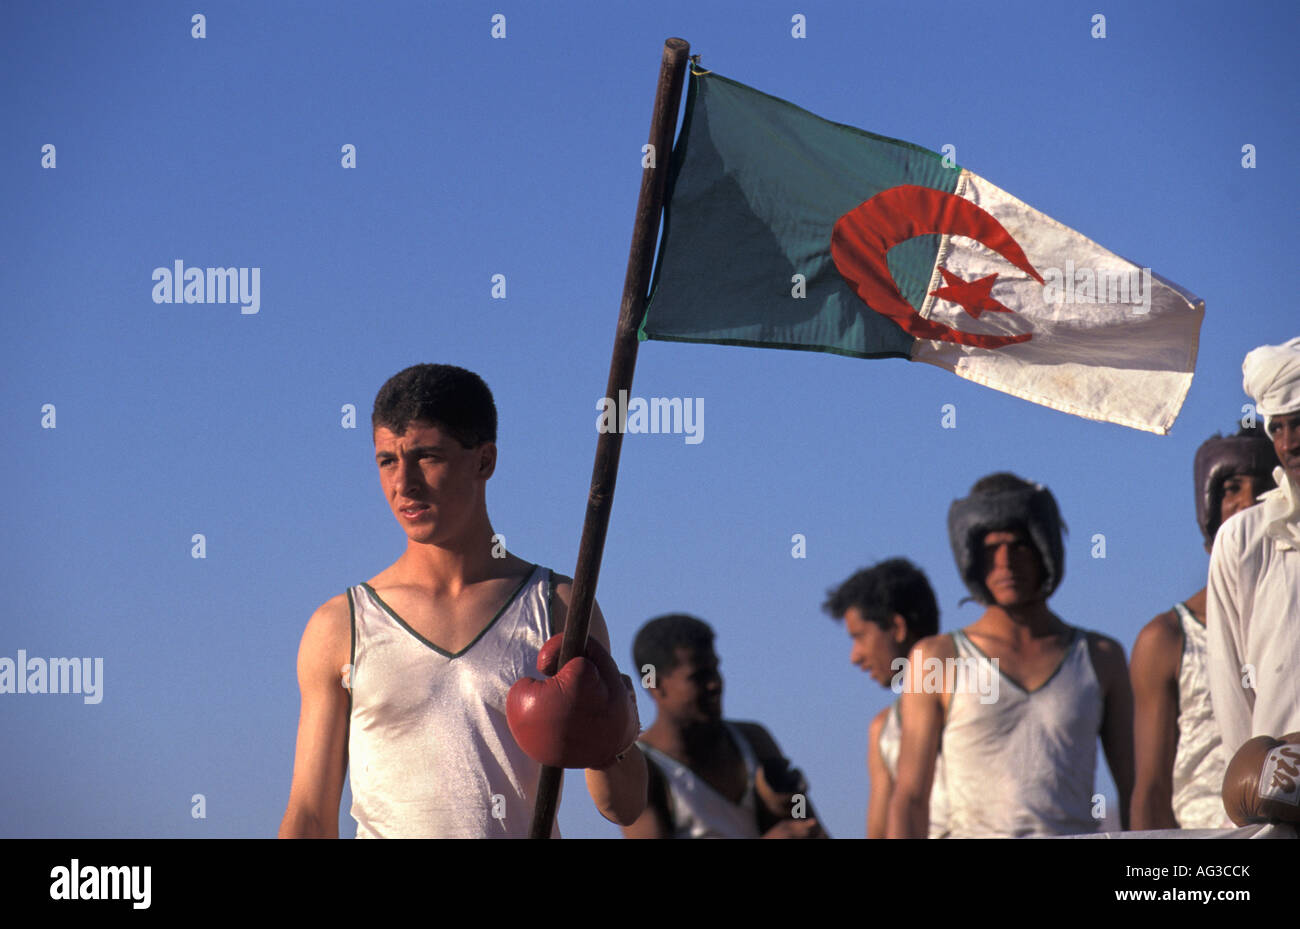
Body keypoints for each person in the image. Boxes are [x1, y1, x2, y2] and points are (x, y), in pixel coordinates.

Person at [278, 363, 646, 838]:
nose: (403, 483)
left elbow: (625, 807)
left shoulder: (558, 606)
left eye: (427, 456)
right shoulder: (341, 626)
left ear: (484, 461)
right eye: (387, 460)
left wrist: (609, 741)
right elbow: (309, 814)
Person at [887, 473, 1134, 838]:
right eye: (990, 548)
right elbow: (909, 797)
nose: (1004, 562)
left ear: (1044, 547)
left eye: (1018, 545)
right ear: (970, 557)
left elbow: (1138, 790)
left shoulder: (1100, 656)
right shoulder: (937, 658)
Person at [1130, 424, 1277, 829]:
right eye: (1231, 487)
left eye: (1264, 486)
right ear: (1209, 506)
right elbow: (1151, 788)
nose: (1248, 501)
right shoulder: (1167, 638)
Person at [620, 614, 825, 838]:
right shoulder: (640, 768)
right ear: (655, 684)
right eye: (699, 676)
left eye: (715, 670)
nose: (715, 684)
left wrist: (787, 807)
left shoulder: (753, 741)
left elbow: (809, 825)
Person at [1208, 336, 1300, 758]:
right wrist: (1246, 795)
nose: (1288, 443)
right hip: (1279, 803)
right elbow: (1230, 686)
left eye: (1299, 422)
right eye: (1277, 427)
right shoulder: (1244, 541)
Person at [823, 558, 949, 838]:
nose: (854, 656)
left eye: (860, 637)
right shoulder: (884, 731)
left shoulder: (977, 700)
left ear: (897, 627)